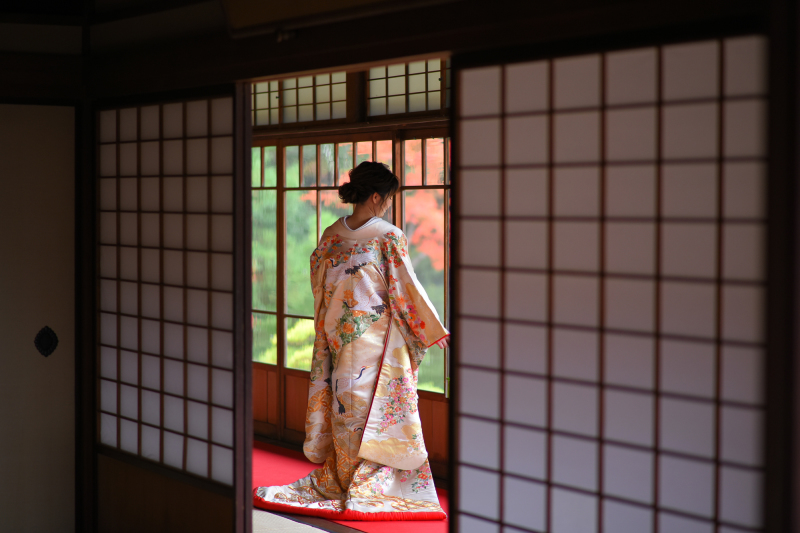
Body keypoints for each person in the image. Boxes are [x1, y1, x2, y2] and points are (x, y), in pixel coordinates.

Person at [254, 161, 449, 520]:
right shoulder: (388, 235)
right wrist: (429, 330)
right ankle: (370, 479)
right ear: (376, 196)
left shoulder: (332, 233)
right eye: (388, 198)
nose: (389, 204)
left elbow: (321, 283)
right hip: (378, 341)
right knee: (368, 407)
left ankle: (347, 474)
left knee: (348, 404)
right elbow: (405, 287)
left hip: (339, 335)